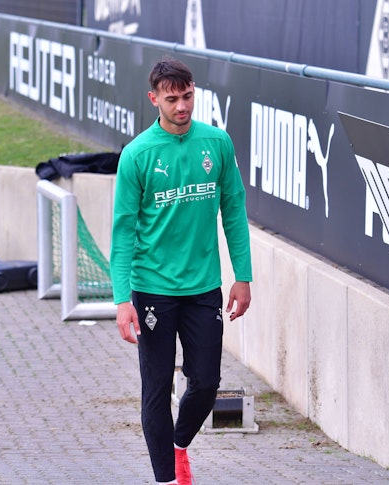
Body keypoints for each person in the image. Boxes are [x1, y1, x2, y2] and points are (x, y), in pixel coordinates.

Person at [110, 58, 253, 485]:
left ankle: (178, 445)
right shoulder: (137, 155)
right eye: (172, 99)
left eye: (187, 96)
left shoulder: (216, 143)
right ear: (154, 99)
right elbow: (122, 233)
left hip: (204, 287)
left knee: (206, 383)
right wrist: (121, 301)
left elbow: (234, 210)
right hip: (152, 289)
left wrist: (242, 276)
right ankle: (166, 479)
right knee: (156, 389)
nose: (182, 106)